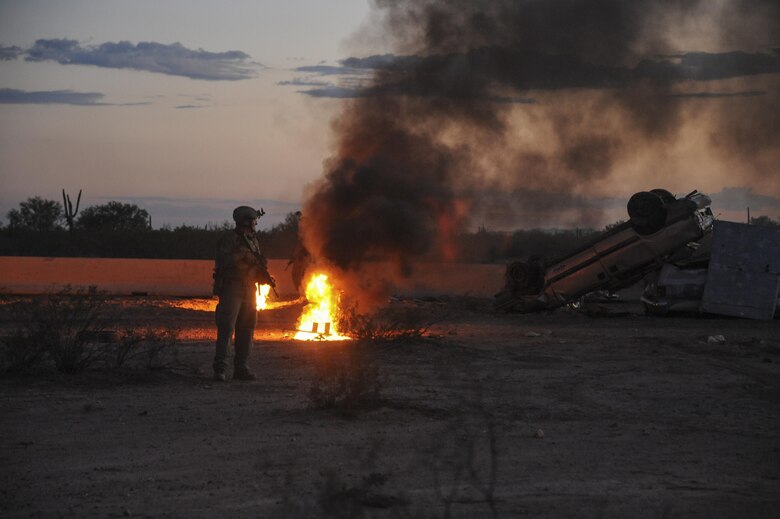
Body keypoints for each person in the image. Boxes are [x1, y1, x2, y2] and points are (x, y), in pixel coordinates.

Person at [212, 206, 275, 381]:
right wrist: (242, 256)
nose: (256, 223)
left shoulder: (253, 240)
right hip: (232, 287)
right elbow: (222, 261)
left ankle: (241, 368)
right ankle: (220, 369)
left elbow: (255, 264)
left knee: (247, 328)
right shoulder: (229, 239)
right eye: (254, 220)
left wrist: (262, 275)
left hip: (250, 288)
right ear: (246, 220)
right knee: (226, 327)